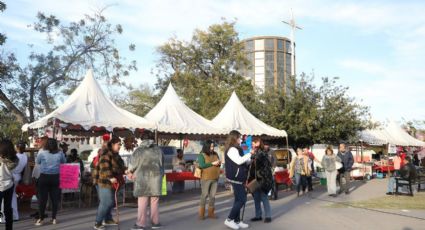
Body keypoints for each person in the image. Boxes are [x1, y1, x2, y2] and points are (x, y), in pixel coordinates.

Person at [126, 140, 164, 230]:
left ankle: (140, 224)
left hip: (142, 180)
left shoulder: (139, 151)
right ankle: (155, 223)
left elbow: (132, 164)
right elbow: (162, 165)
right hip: (156, 179)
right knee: (154, 202)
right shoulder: (159, 150)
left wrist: (129, 172)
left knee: (142, 202)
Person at [92, 136, 126, 230]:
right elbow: (104, 167)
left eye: (120, 145)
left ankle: (107, 219)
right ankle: (97, 222)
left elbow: (121, 166)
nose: (119, 146)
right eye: (118, 144)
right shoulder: (106, 154)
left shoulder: (116, 155)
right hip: (103, 182)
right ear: (112, 145)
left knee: (111, 202)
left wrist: (126, 171)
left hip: (111, 183)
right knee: (106, 202)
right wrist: (110, 177)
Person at [224, 130, 252, 230]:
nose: (241, 139)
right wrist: (249, 154)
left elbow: (242, 161)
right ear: (234, 138)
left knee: (238, 199)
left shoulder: (237, 148)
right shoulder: (232, 149)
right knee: (242, 199)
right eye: (239, 138)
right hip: (235, 178)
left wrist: (249, 160)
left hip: (239, 177)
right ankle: (229, 219)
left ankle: (237, 220)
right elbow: (239, 161)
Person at [35, 138, 66, 226]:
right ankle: (54, 218)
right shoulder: (60, 153)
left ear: (46, 144)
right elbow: (64, 162)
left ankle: (41, 219)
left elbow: (38, 162)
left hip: (44, 177)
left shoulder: (41, 152)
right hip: (56, 178)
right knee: (54, 199)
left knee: (42, 199)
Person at [248, 137, 273, 223]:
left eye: (253, 143)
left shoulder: (262, 151)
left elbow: (259, 158)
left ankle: (268, 216)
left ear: (258, 142)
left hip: (262, 178)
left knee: (264, 197)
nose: (252, 145)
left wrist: (253, 154)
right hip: (255, 178)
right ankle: (258, 215)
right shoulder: (256, 151)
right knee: (256, 197)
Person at [198, 140, 221, 220]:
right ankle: (201, 214)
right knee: (204, 195)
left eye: (213, 146)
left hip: (215, 177)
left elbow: (218, 162)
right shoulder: (202, 155)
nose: (212, 148)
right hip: (206, 178)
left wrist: (219, 162)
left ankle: (211, 213)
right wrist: (212, 163)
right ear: (206, 146)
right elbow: (201, 165)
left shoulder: (215, 154)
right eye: (211, 146)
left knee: (213, 196)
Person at [0, 139, 19, 230]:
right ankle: (9, 228)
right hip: (9, 185)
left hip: (0, 185)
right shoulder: (15, 159)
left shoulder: (1, 159)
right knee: (8, 209)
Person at [11, 141, 28, 221]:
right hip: (18, 176)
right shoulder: (25, 156)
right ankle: (15, 215)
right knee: (13, 196)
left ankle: (5, 216)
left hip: (11, 176)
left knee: (7, 197)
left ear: (17, 147)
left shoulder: (15, 156)